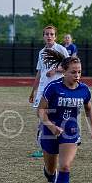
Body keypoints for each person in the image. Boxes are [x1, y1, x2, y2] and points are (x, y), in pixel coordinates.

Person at [38, 48, 92, 183]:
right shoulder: (53, 87)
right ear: (63, 72)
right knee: (50, 169)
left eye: (79, 72)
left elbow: (89, 109)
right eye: (73, 72)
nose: (77, 75)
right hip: (50, 131)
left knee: (64, 166)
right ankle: (51, 178)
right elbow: (41, 111)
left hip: (70, 131)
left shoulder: (84, 89)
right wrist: (50, 126)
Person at [28, 25, 69, 158]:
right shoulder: (41, 52)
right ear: (43, 36)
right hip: (42, 89)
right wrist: (33, 91)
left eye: (51, 34)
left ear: (55, 36)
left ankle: (54, 144)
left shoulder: (61, 49)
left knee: (50, 116)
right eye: (47, 34)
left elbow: (69, 67)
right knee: (41, 115)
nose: (49, 36)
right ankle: (44, 146)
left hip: (57, 89)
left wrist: (56, 70)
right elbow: (40, 72)